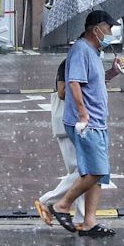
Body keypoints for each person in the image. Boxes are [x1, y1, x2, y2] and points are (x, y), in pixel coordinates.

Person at [47, 10, 124, 238]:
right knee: (96, 170)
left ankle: (90, 222)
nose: (110, 33)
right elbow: (73, 83)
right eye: (108, 28)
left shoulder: (94, 52)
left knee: (99, 173)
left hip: (98, 120)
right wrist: (82, 114)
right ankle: (61, 206)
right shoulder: (80, 50)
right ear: (96, 28)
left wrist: (113, 71)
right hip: (87, 122)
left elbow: (94, 84)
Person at [34, 59, 86, 228]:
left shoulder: (80, 64)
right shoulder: (69, 64)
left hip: (75, 122)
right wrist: (81, 89)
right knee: (84, 171)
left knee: (81, 171)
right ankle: (48, 201)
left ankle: (81, 217)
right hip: (67, 122)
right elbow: (62, 92)